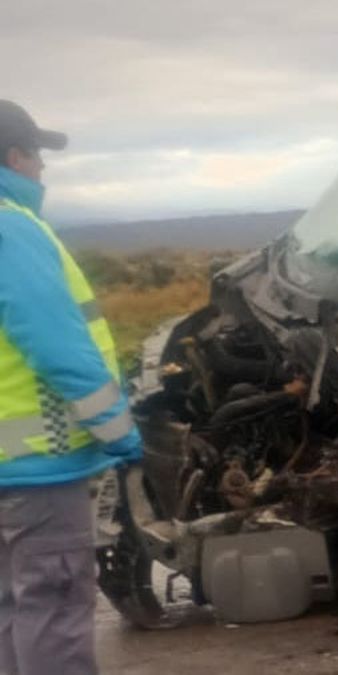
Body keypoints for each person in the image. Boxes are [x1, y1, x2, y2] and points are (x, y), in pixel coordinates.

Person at [0, 100, 143, 675]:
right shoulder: (11, 227)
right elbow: (59, 347)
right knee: (54, 606)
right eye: (37, 156)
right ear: (15, 157)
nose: (43, 170)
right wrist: (120, 432)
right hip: (35, 471)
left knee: (13, 609)